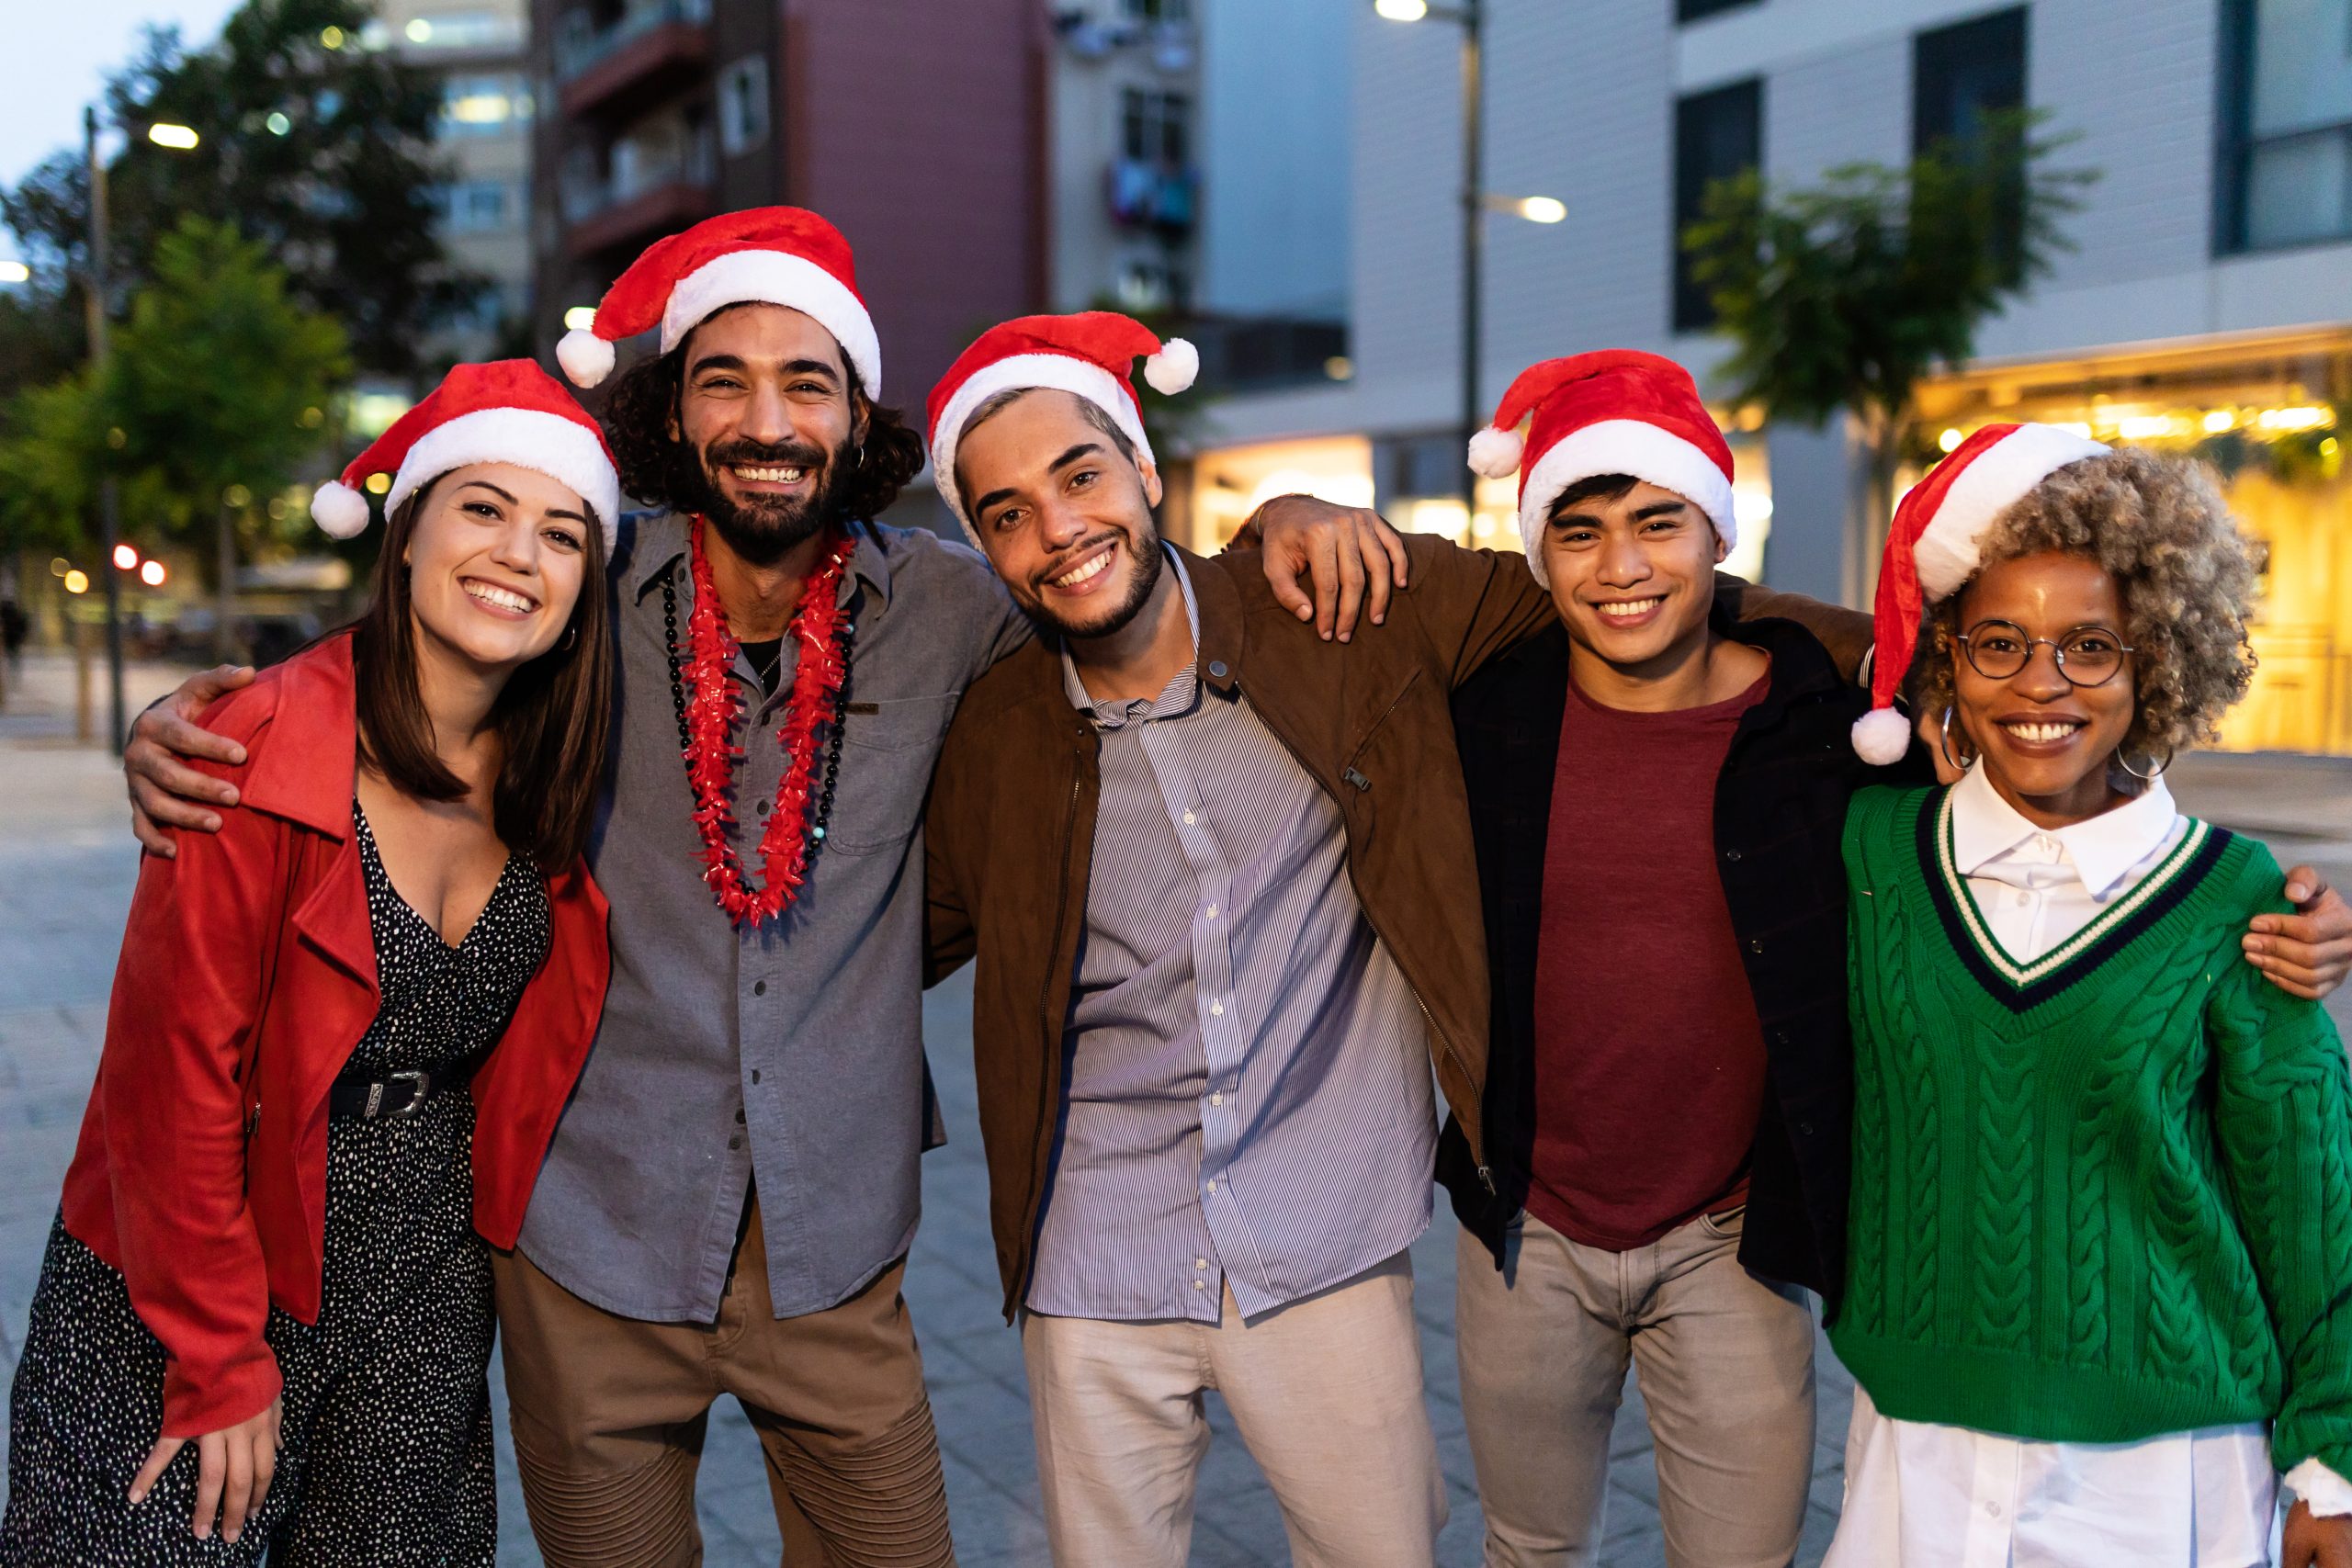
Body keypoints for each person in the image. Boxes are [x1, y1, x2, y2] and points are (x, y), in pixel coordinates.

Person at [117, 211, 1400, 1567]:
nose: (766, 419)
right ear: (673, 410)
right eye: (724, 379)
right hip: (586, 1241)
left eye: (808, 383)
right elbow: (429, 631)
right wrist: (204, 716)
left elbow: (1107, 568)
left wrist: (1283, 519)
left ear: (856, 416)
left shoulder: (956, 610)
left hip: (836, 1252)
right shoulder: (587, 587)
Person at [1258, 370, 2352, 1568]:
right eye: (1581, 530)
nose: (1621, 563)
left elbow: (2064, 770)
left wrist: (2264, 893)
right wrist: (1288, 511)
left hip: (1819, 1276)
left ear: (1719, 531)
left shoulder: (1835, 736)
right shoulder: (1515, 717)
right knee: (1530, 1540)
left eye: (1657, 521)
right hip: (1607, 1265)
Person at [917, 317, 1857, 1566]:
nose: (1058, 527)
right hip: (1094, 1241)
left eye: (1081, 475)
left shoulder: (1340, 615)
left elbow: (1617, 589)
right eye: (1008, 511)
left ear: (1145, 470)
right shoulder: (993, 732)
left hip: (1323, 1225)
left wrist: (1924, 669)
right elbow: (887, 925)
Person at [0, 360, 619, 1565]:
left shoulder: (557, 766)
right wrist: (222, 1354)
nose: (517, 553)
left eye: (561, 531)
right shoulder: (255, 742)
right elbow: (167, 1073)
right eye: (482, 507)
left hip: (422, 1279)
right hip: (198, 1254)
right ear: (404, 534)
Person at [1827, 423, 2352, 1568]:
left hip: (2166, 1466)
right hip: (1916, 1444)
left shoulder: (2239, 897)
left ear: (2157, 661)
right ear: (1945, 662)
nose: (2039, 687)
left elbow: (2313, 1204)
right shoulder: (1866, 856)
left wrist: (2330, 1465)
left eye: (2090, 648)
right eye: (1998, 644)